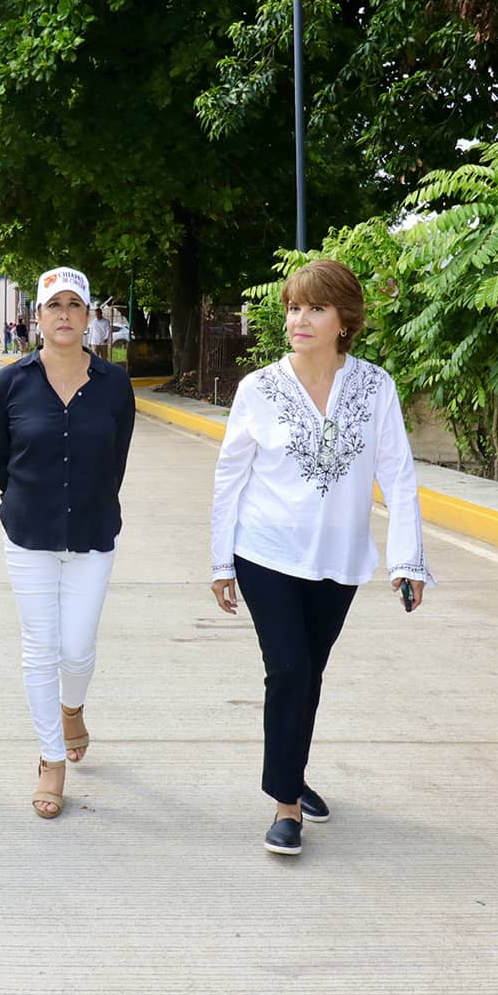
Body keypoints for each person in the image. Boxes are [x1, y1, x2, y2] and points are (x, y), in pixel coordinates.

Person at [209, 259, 433, 858]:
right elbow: (230, 477)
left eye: (315, 308)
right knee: (288, 669)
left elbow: (399, 477)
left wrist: (406, 559)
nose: (299, 320)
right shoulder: (259, 389)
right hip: (266, 553)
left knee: (309, 672)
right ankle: (285, 805)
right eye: (293, 308)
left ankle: (292, 770)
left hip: (338, 560)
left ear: (344, 320)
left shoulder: (375, 387)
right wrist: (220, 561)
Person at [0, 267, 135, 818]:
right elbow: (0, 460)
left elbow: (115, 460)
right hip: (29, 535)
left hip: (93, 533)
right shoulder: (12, 381)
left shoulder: (115, 384)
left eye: (75, 304)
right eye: (54, 305)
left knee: (77, 647)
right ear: (38, 317)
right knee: (39, 648)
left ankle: (73, 708)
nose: (65, 314)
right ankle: (52, 759)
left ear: (88, 316)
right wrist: (29, 502)